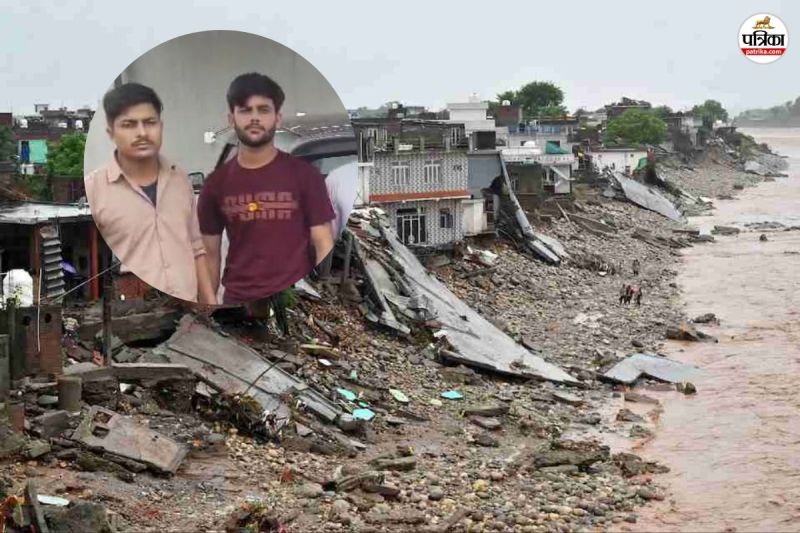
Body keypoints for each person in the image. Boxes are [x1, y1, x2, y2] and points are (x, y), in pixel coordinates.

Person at [198, 73, 335, 305]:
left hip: (294, 301)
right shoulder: (216, 185)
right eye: (245, 110)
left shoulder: (305, 176)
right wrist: (209, 309)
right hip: (239, 302)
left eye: (263, 110)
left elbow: (323, 242)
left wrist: (320, 301)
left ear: (277, 118)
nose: (254, 118)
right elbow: (209, 255)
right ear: (231, 118)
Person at [84, 83, 216, 304]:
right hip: (133, 320)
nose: (142, 133)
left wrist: (211, 305)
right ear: (111, 132)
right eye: (129, 125)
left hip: (188, 314)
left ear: (160, 126)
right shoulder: (95, 190)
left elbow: (196, 248)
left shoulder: (180, 180)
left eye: (150, 123)